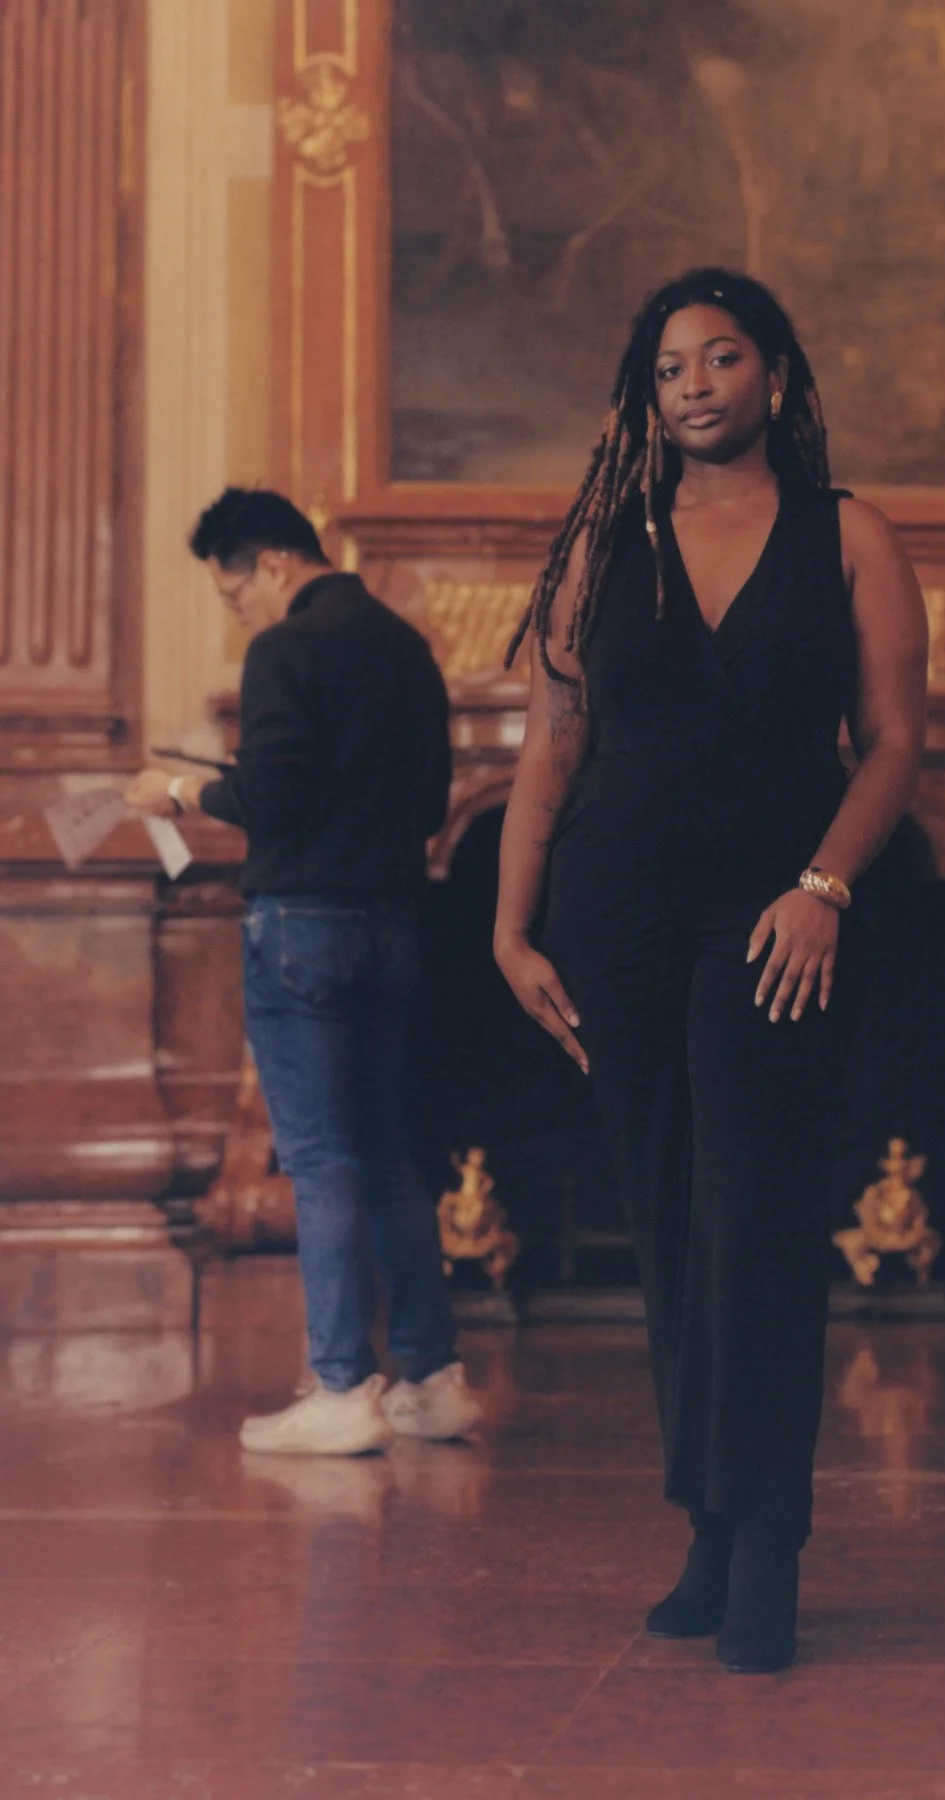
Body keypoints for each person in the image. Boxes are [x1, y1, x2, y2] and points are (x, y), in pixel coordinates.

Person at [494, 269, 928, 1671]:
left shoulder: (847, 533)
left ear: (777, 378)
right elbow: (548, 753)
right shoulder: (600, 548)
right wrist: (510, 930)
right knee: (675, 1223)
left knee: (758, 1217)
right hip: (615, 914)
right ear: (646, 394)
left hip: (772, 919)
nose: (694, 382)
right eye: (670, 364)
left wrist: (823, 888)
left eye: (722, 356)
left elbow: (895, 744)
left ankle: (770, 1548)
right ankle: (705, 1523)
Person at [127, 489, 484, 1456]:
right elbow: (427, 806)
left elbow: (271, 794)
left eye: (232, 591)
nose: (236, 611)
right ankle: (433, 1379)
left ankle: (339, 1388)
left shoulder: (285, 648)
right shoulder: (410, 648)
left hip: (302, 930)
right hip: (394, 926)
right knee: (384, 1150)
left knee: (320, 1159)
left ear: (275, 564)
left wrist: (180, 787)